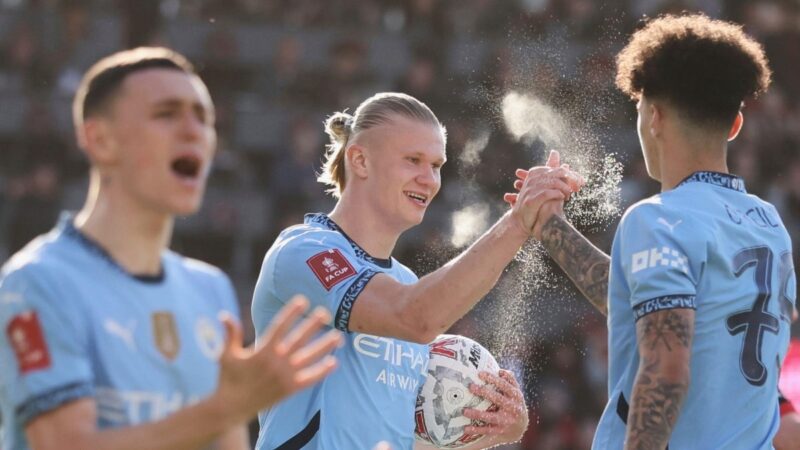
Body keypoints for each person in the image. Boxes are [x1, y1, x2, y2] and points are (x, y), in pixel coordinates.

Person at [0, 47, 342, 450]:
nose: (193, 131)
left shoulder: (208, 287)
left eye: (204, 118)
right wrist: (225, 409)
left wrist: (227, 412)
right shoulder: (38, 281)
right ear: (99, 139)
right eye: (167, 113)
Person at [510, 13, 795, 450]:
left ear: (655, 117)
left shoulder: (658, 219)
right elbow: (644, 302)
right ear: (735, 126)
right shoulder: (769, 224)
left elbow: (666, 367)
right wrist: (552, 231)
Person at [250, 92, 583, 449]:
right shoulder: (304, 251)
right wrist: (518, 223)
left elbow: (405, 436)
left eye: (437, 165)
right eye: (413, 160)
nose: (429, 179)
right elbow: (414, 317)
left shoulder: (406, 282)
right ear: (360, 160)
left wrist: (493, 427)